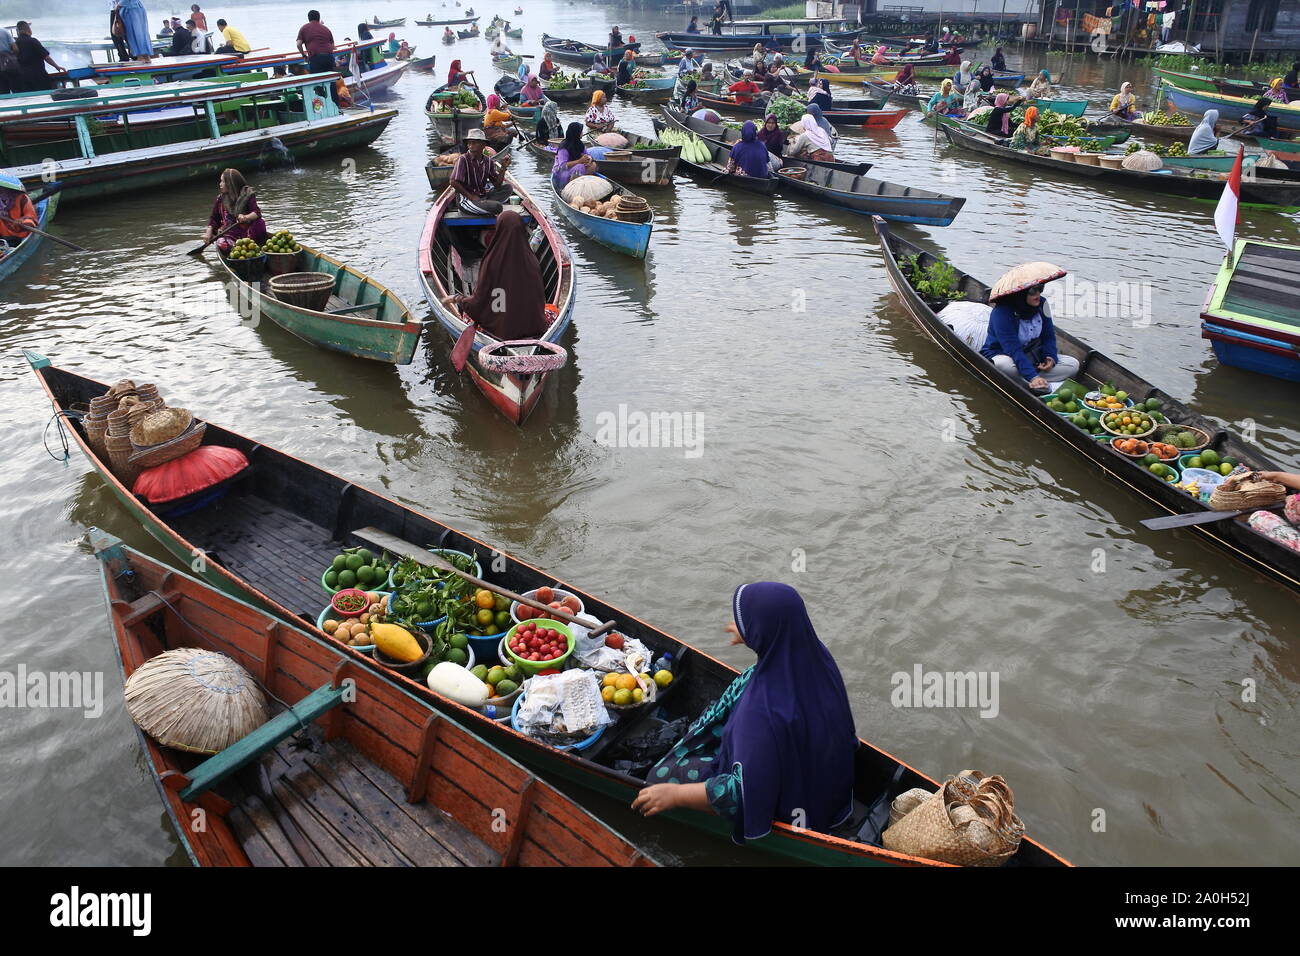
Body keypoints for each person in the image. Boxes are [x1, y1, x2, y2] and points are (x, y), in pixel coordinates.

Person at [631, 583, 857, 846]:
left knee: (656, 777)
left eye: (744, 623)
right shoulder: (817, 656)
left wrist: (675, 795)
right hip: (824, 784)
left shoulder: (760, 713)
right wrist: (751, 633)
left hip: (792, 802)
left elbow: (741, 794)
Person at [444, 210, 549, 341]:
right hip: (535, 327)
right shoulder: (532, 261)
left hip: (501, 331)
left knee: (497, 300)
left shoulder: (491, 261)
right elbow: (538, 298)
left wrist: (458, 299)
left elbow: (480, 302)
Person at [981, 277, 1079, 391]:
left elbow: (1049, 336)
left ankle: (1029, 381)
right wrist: (1033, 377)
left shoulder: (1043, 304)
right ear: (1020, 293)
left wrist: (1050, 357)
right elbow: (1013, 349)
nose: (1038, 294)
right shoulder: (1002, 312)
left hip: (1033, 358)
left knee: (1073, 364)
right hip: (1007, 356)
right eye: (1033, 291)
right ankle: (1032, 382)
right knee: (1005, 365)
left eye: (1040, 288)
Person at [450, 128, 512, 214]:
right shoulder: (463, 159)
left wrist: (503, 168)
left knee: (508, 188)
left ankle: (483, 204)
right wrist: (471, 196)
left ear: (483, 145)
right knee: (497, 207)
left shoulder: (488, 161)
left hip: (482, 196)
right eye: (469, 143)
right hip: (466, 199)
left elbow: (497, 185)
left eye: (474, 143)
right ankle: (479, 205)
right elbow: (453, 182)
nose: (471, 146)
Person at [202, 168, 268, 248]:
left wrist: (245, 217)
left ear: (231, 184)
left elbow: (256, 212)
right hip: (230, 233)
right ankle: (235, 248)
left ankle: (255, 246)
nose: (220, 184)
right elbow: (214, 218)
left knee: (259, 222)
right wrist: (208, 232)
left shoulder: (247, 195)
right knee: (222, 243)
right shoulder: (221, 199)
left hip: (248, 232)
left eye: (223, 181)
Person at [13, 23, 59, 92]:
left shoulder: (15, 44)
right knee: (45, 94)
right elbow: (46, 57)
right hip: (38, 75)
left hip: (23, 77)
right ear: (28, 29)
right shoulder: (32, 41)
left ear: (17, 32)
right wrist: (56, 66)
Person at [552, 122, 599, 188]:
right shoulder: (564, 147)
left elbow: (588, 155)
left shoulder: (580, 144)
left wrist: (589, 159)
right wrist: (579, 161)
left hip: (576, 169)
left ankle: (582, 183)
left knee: (593, 165)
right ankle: (570, 187)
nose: (582, 133)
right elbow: (563, 166)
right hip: (562, 173)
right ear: (576, 133)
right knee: (580, 167)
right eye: (581, 131)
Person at [0, 175, 38, 253]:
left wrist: (22, 220)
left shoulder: (22, 198)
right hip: (2, 235)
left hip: (18, 234)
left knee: (27, 223)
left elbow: (31, 217)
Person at [0, 25, 17, 96]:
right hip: (10, 64)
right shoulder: (4, 31)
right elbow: (15, 49)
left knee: (3, 92)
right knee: (17, 90)